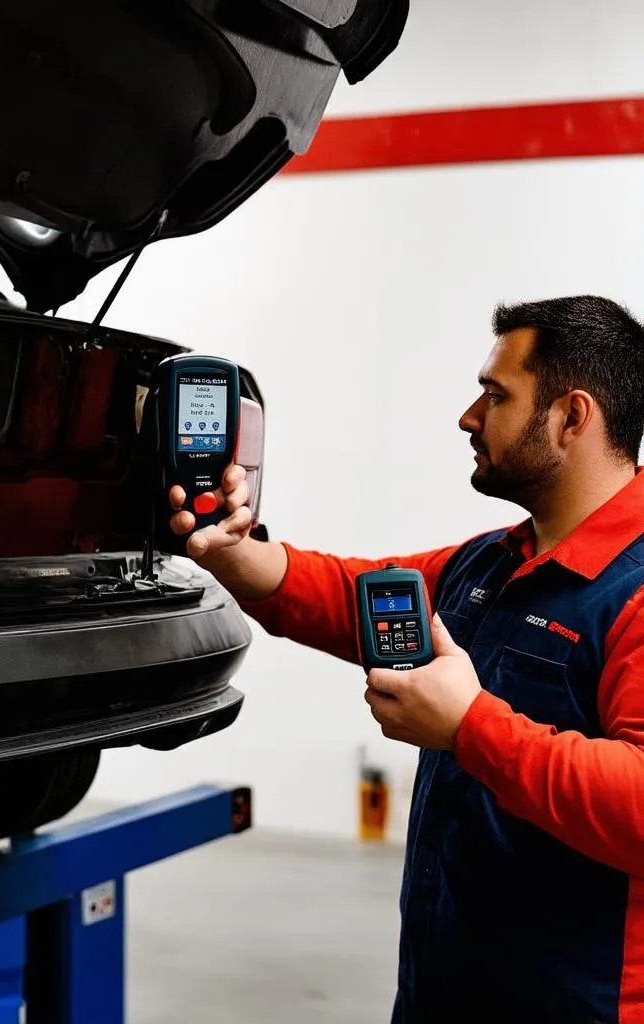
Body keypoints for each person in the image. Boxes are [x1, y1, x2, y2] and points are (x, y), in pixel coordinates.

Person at [169, 295, 644, 1024]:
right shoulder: (493, 562)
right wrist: (233, 551)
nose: (468, 417)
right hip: (442, 988)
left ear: (571, 417)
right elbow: (348, 594)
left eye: (496, 395)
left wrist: (471, 727)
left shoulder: (634, 589)